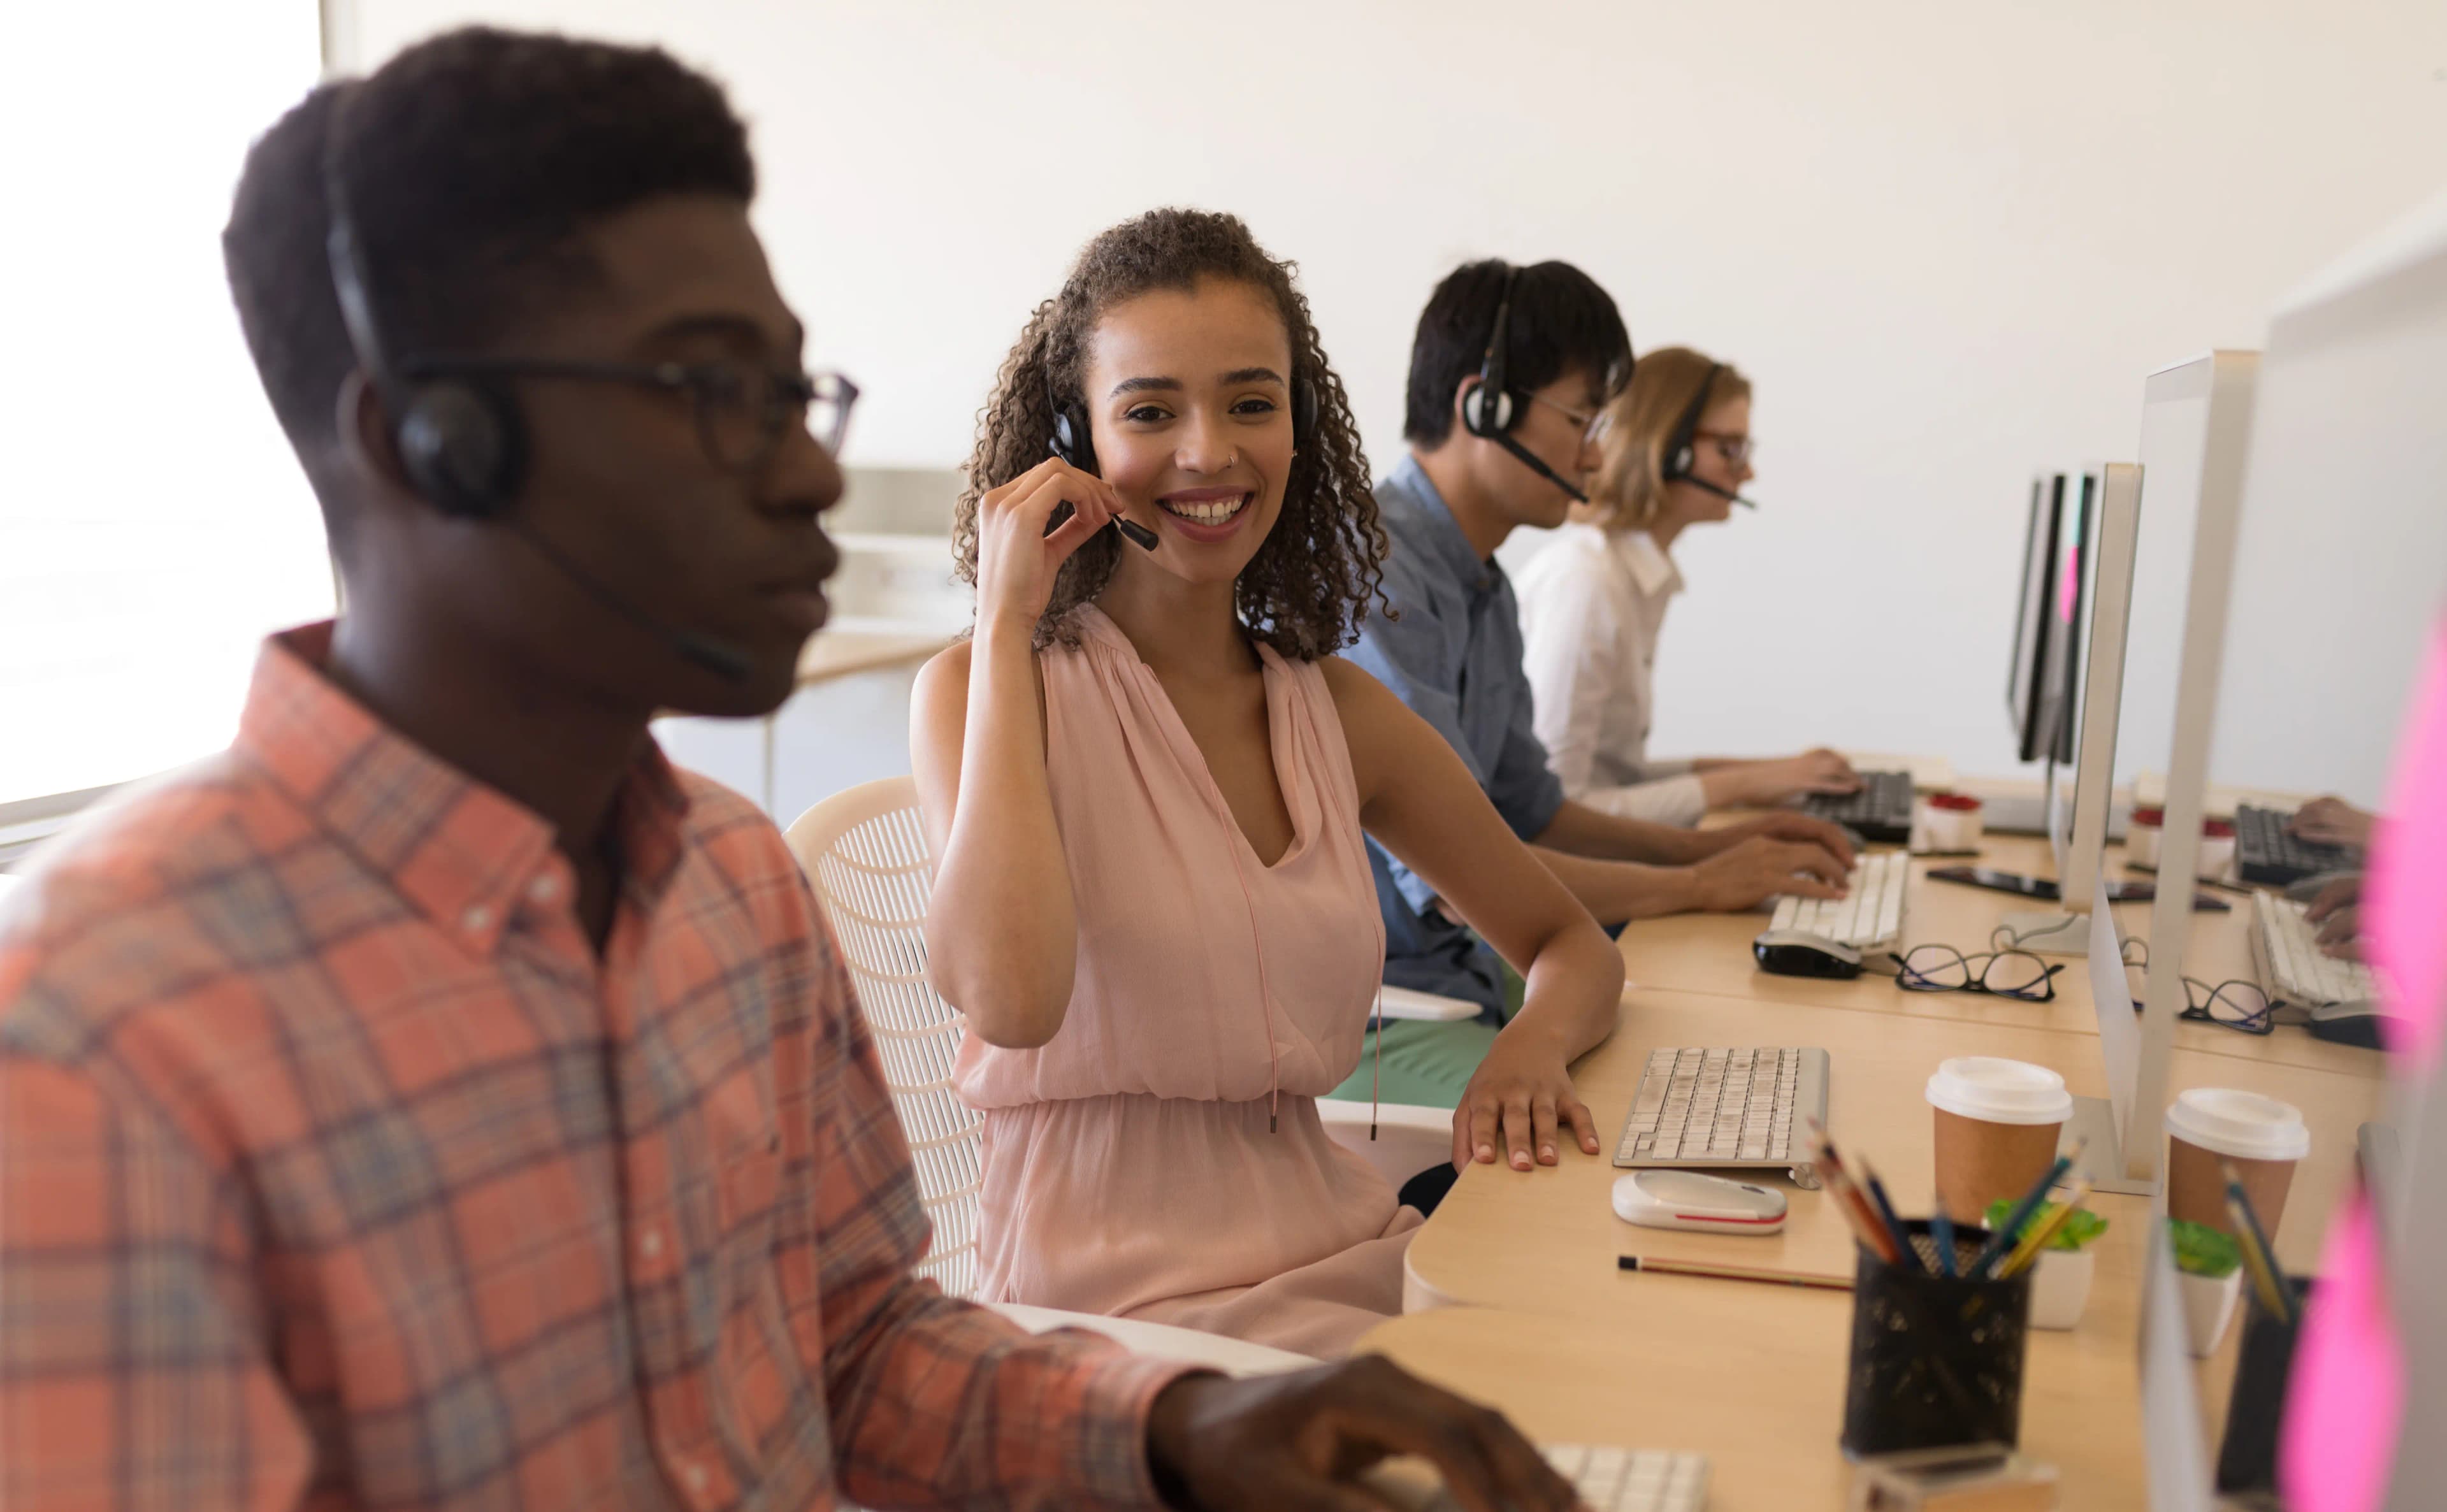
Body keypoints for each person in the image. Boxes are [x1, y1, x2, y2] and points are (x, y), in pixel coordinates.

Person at [0, 32, 1582, 1512]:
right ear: (433, 442)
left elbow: (857, 1345)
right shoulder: (104, 1040)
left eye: (795, 392)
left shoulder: (733, 885)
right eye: (713, 392)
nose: (817, 471)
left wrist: (1174, 1430)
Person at [912, 210, 1624, 1358]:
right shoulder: (981, 690)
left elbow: (1572, 944)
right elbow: (1011, 999)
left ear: (1301, 426)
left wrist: (1529, 1049)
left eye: (1252, 403)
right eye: (1151, 412)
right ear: (1075, 440)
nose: (1209, 452)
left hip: (1341, 1251)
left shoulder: (1334, 710)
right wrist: (1005, 620)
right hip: (1120, 1321)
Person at [1338, 261, 1854, 1112]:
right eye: (1583, 419)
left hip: (1472, 979)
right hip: (1381, 1013)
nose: (1597, 453)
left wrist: (1715, 848)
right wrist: (1699, 884)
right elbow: (1462, 889)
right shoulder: (1377, 577)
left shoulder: (1484, 585)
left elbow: (1537, 812)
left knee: (1711, 1060)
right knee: (1643, 1119)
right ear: (1484, 407)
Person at [1515, 347, 1860, 826]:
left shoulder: (1633, 577)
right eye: (1730, 449)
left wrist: (1776, 774)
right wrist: (1743, 785)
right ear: (1666, 447)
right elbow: (1556, 809)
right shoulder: (1586, 583)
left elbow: (1618, 775)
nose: (1748, 472)